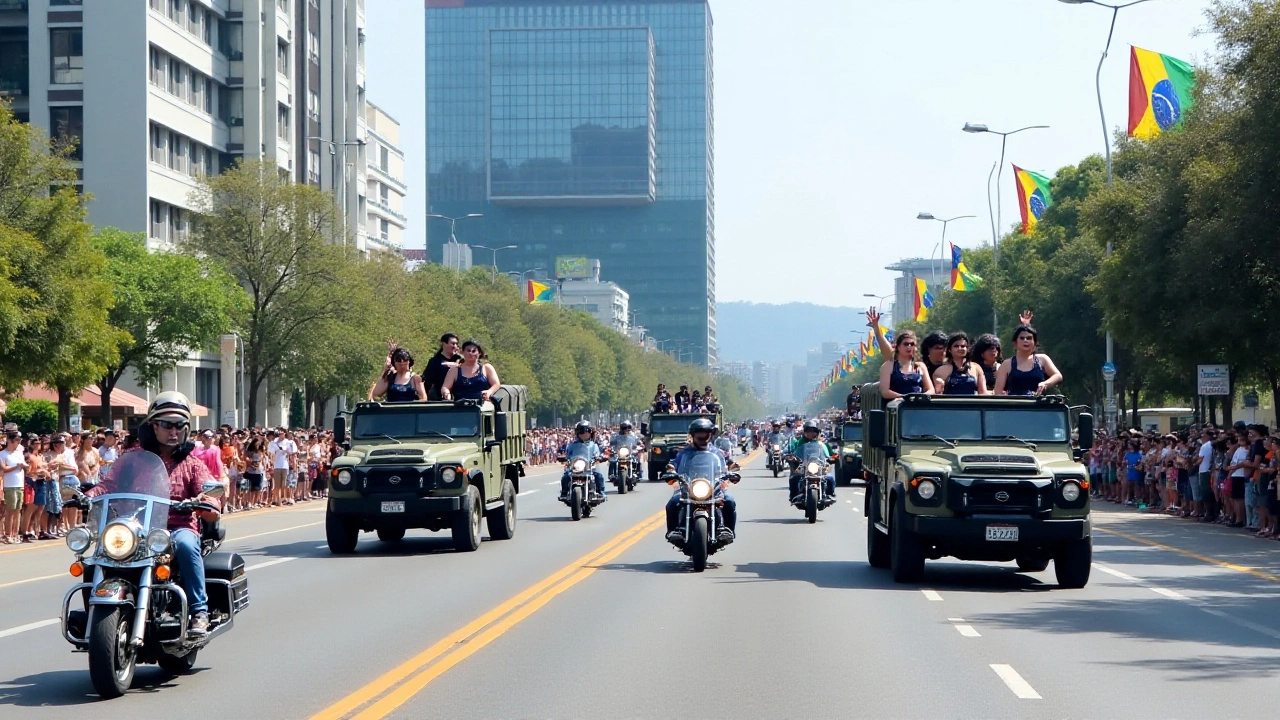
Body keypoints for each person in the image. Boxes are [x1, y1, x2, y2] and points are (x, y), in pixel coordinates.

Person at [84, 392, 221, 636]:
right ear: (153, 426)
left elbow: (208, 493)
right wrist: (87, 496)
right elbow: (108, 485)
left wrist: (208, 502)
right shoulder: (132, 459)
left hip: (177, 528)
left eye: (180, 425)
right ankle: (93, 616)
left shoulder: (192, 463)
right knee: (98, 553)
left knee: (188, 546)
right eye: (167, 424)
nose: (174, 431)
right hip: (137, 528)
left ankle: (199, 611)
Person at [664, 418, 738, 545]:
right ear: (693, 435)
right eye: (699, 433)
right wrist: (671, 470)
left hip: (713, 487)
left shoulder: (718, 452)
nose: (702, 436)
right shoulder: (684, 452)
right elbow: (673, 464)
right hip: (688, 487)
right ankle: (674, 531)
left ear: (710, 435)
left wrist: (732, 471)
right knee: (672, 503)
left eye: (705, 433)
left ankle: (726, 531)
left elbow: (730, 464)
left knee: (729, 501)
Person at [993, 323, 1063, 396]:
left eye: (1029, 338)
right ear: (1015, 343)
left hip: (1039, 404)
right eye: (1022, 338)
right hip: (1015, 404)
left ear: (1035, 342)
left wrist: (1045, 383)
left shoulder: (1043, 359)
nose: (1025, 340)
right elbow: (998, 391)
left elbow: (1058, 375)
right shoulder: (1007, 364)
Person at [787, 419, 836, 502]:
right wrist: (792, 458)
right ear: (804, 432)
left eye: (813, 431)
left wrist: (832, 457)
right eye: (808, 431)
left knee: (830, 478)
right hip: (804, 467)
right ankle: (793, 496)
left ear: (817, 433)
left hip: (819, 467)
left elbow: (828, 454)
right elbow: (794, 453)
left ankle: (829, 494)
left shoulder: (821, 444)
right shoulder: (799, 443)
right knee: (794, 478)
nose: (811, 433)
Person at [878, 330, 935, 399]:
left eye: (912, 344)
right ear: (898, 347)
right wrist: (905, 398)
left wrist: (921, 397)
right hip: (898, 406)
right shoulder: (888, 366)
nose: (909, 346)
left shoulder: (920, 366)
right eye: (906, 344)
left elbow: (931, 390)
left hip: (919, 405)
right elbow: (885, 392)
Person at [558, 421, 607, 503]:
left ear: (590, 432)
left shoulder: (593, 445)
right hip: (575, 467)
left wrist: (601, 457)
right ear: (577, 433)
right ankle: (564, 493)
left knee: (599, 476)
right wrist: (563, 457)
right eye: (582, 431)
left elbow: (598, 454)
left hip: (589, 467)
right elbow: (568, 454)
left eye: (587, 431)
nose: (585, 433)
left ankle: (601, 493)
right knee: (566, 476)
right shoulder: (572, 445)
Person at [932, 331, 987, 395]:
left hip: (971, 404)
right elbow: (937, 395)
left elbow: (983, 393)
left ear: (968, 349)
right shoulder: (941, 371)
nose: (960, 348)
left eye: (963, 346)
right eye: (956, 346)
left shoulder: (976, 368)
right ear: (949, 349)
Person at [0, 430, 28, 544]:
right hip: (9, 485)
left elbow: (26, 467)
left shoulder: (19, 454)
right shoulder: (2, 454)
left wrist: (25, 466)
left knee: (18, 511)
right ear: (10, 441)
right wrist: (16, 466)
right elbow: (4, 469)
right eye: (16, 440)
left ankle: (15, 534)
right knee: (10, 511)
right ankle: (7, 534)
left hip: (19, 485)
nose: (18, 442)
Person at [422, 334, 462, 401]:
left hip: (459, 397)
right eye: (453, 344)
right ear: (443, 343)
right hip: (439, 398)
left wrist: (457, 365)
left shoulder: (460, 360)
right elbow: (427, 381)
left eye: (456, 344)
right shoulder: (434, 362)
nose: (455, 346)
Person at [267, 428, 297, 507]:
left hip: (285, 465)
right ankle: (277, 499)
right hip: (277, 465)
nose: (281, 435)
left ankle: (283, 498)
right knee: (277, 484)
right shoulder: (274, 442)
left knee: (283, 484)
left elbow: (292, 452)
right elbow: (271, 452)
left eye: (282, 433)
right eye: (279, 433)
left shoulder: (287, 442)